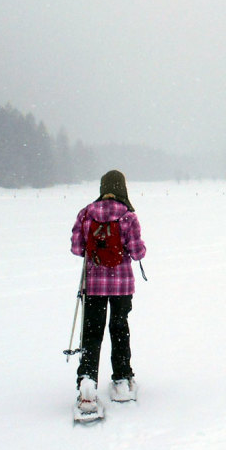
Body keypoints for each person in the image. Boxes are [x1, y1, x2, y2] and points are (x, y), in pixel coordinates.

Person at [70, 170, 146, 413]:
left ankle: (87, 384)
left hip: (93, 286)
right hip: (122, 287)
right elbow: (137, 252)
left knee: (91, 334)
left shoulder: (86, 214)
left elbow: (76, 248)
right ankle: (122, 380)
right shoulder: (127, 216)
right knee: (119, 329)